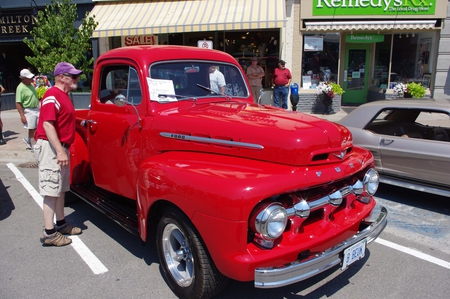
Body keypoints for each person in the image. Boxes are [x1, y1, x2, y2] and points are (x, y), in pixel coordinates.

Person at [35, 62, 83, 246]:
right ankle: (49, 233)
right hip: (51, 147)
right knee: (51, 190)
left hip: (59, 147)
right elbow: (47, 124)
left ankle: (61, 224)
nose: (77, 79)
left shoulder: (62, 96)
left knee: (60, 189)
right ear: (62, 77)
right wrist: (60, 151)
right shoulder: (52, 95)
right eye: (73, 76)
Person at [15, 69, 39, 149]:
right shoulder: (20, 88)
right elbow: (18, 102)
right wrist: (22, 115)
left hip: (36, 108)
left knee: (37, 127)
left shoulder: (31, 85)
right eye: (29, 78)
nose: (31, 79)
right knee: (31, 128)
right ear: (23, 78)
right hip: (28, 109)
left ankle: (31, 140)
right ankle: (32, 144)